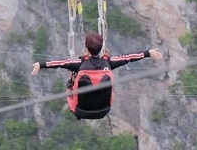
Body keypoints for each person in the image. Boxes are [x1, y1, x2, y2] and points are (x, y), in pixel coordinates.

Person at [31, 32, 163, 120]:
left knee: (71, 83)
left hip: (79, 110)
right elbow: (127, 58)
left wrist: (41, 64)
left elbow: (61, 63)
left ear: (86, 48)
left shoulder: (79, 64)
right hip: (104, 110)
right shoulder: (108, 63)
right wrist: (147, 53)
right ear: (100, 48)